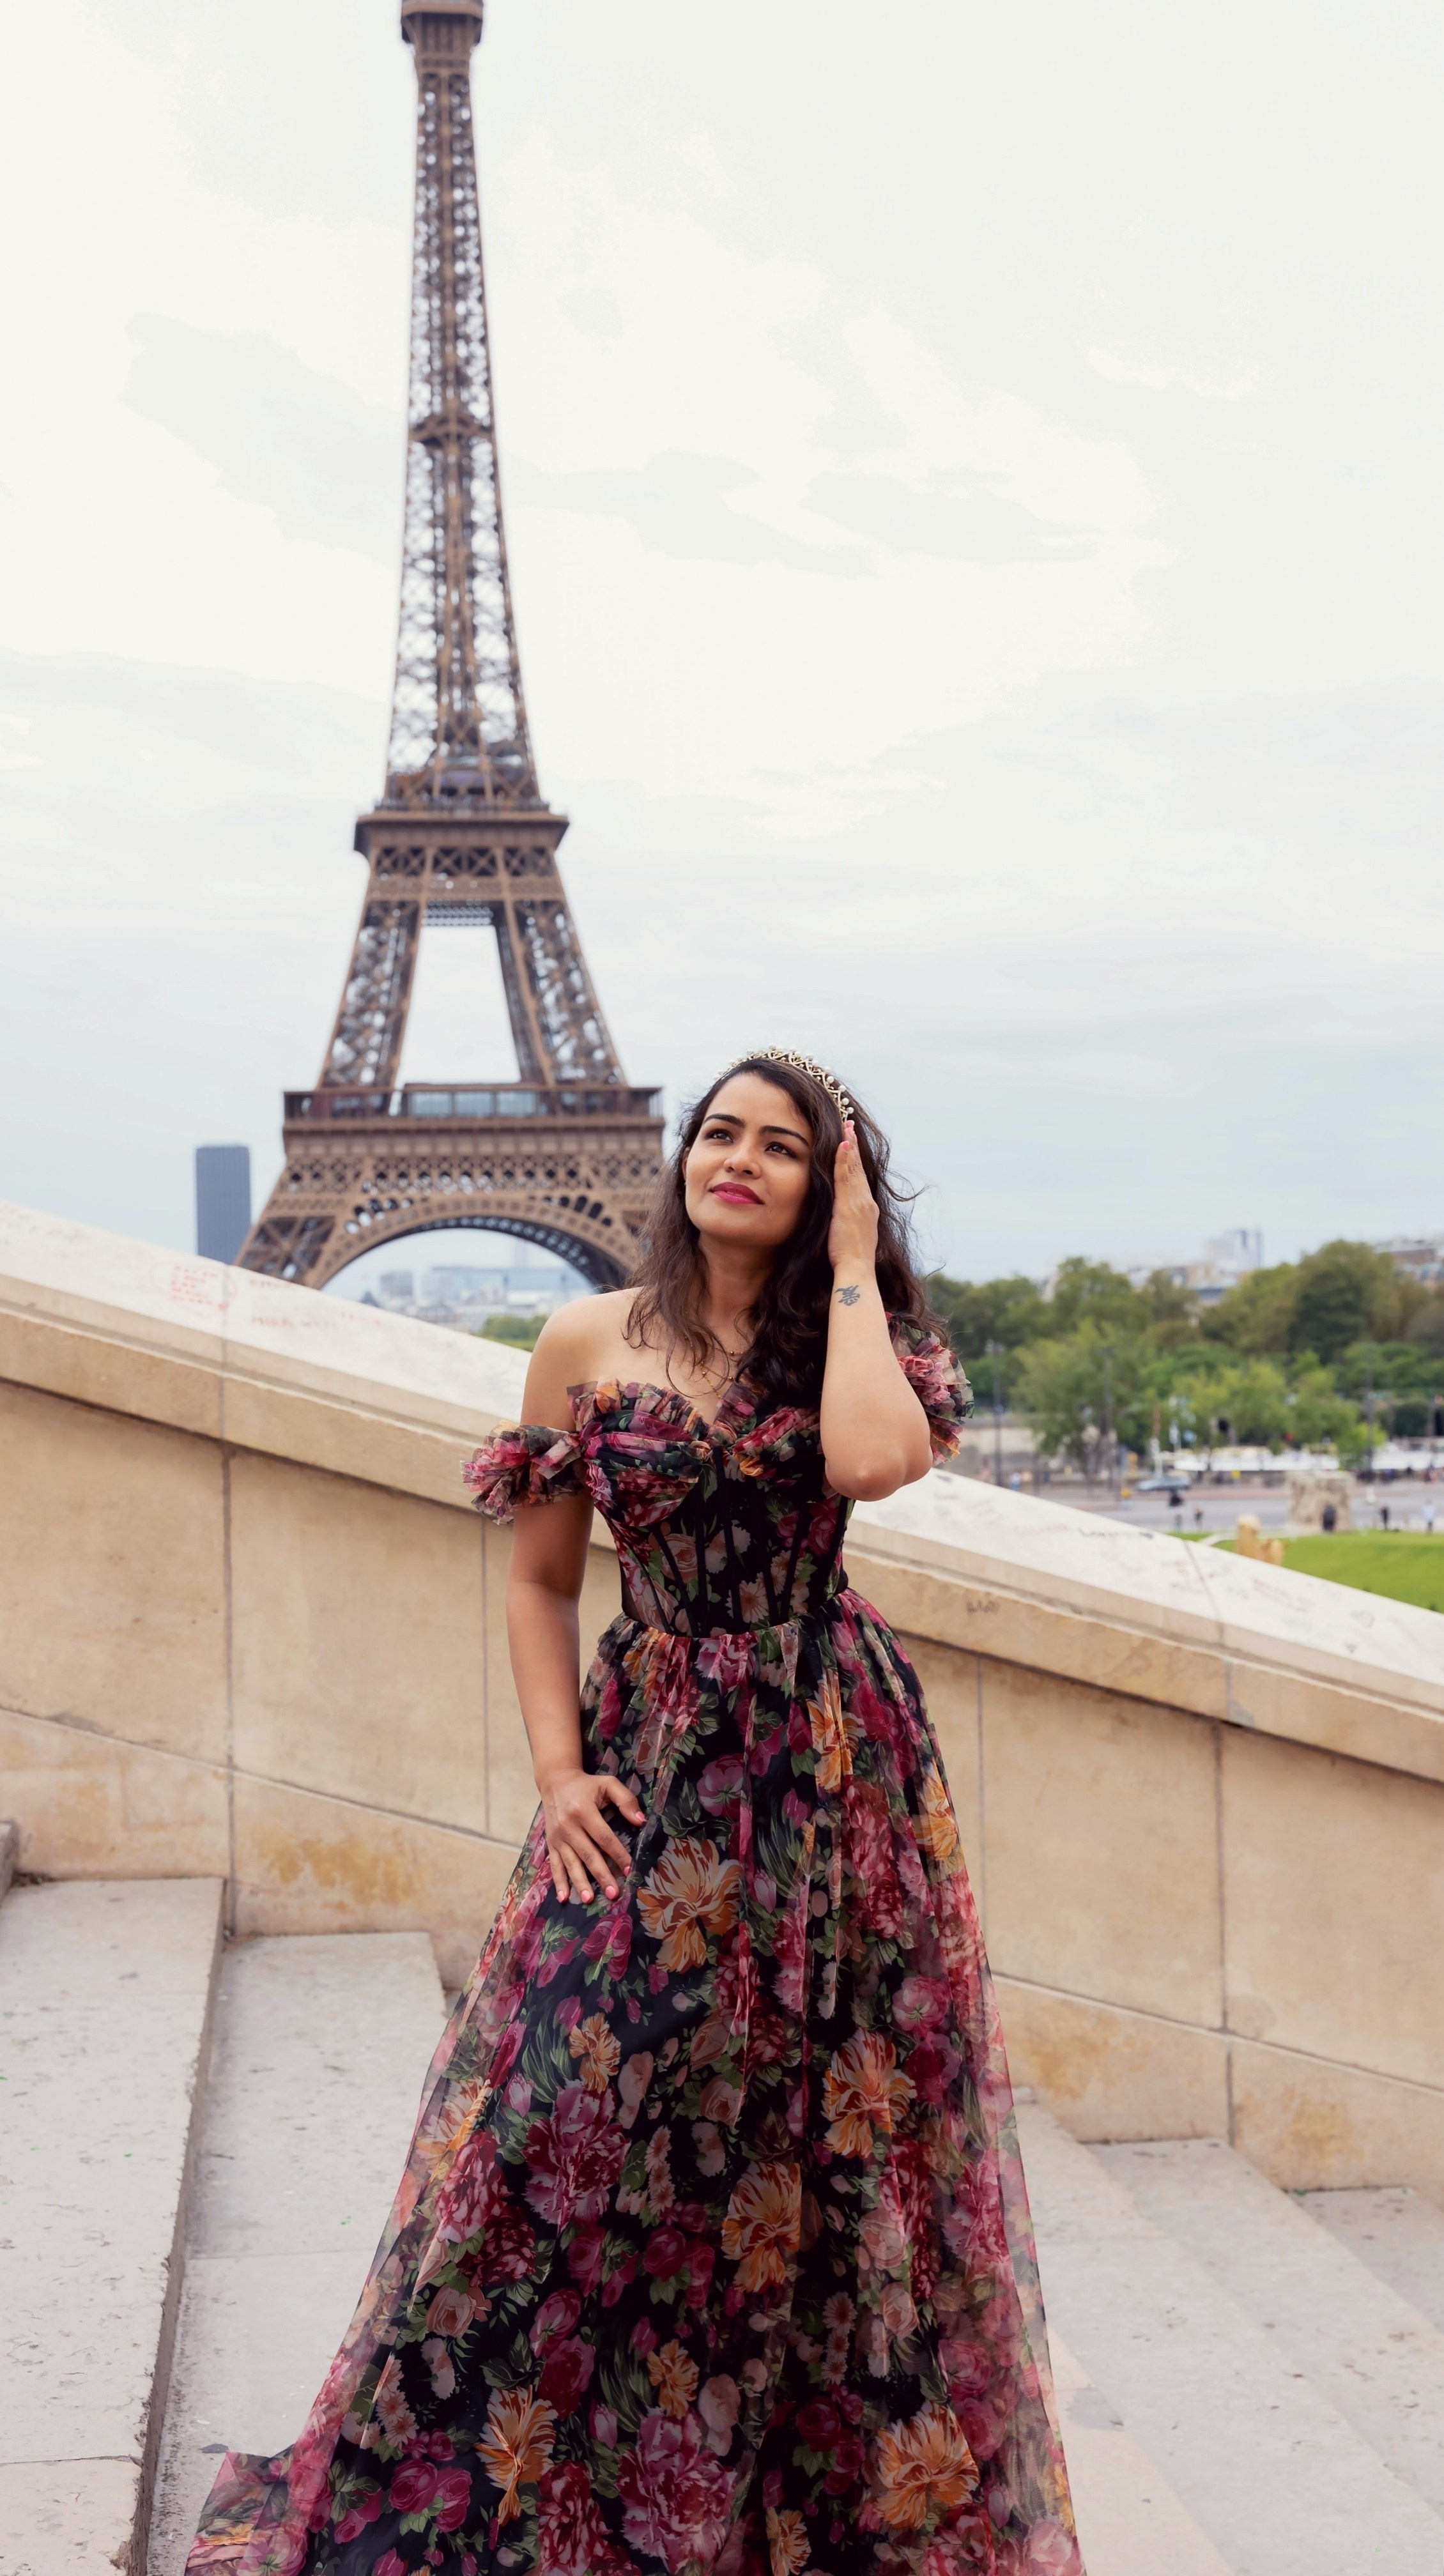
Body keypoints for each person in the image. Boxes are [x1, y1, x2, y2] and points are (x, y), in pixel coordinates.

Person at [188, 1050, 1079, 2576]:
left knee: (822, 2132)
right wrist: (554, 1770)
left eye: (781, 1147)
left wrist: (855, 1267)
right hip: (648, 1760)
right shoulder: (583, 1338)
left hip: (827, 1765)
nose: (735, 1160)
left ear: (827, 1186)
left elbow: (873, 1461)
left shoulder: (853, 1342)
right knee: (557, 2116)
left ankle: (784, 2516)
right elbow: (539, 1577)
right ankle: (533, 2487)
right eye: (717, 1133)